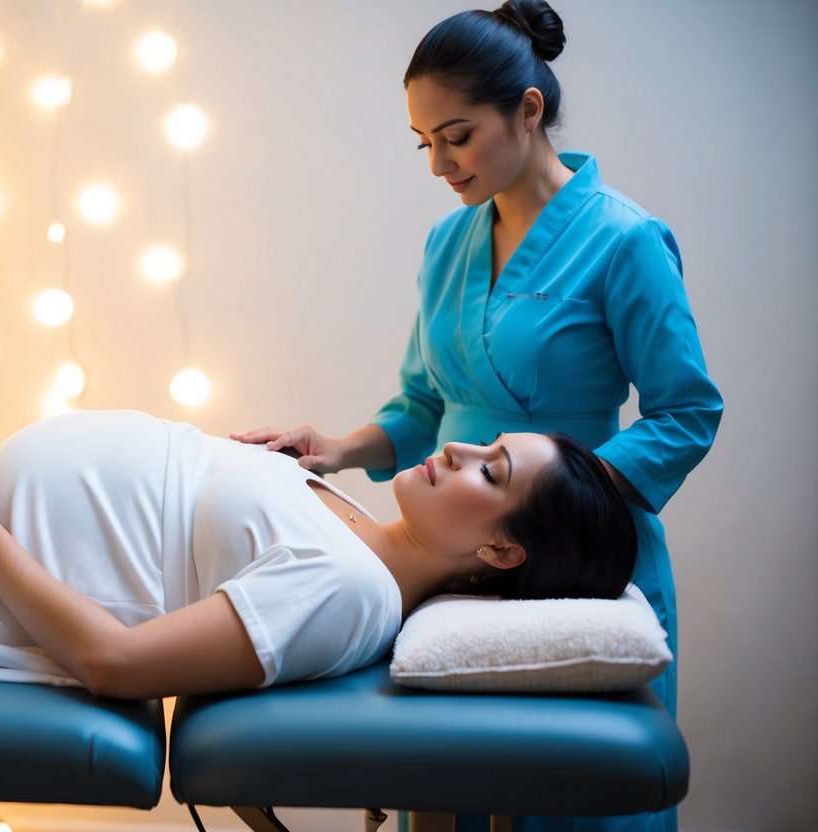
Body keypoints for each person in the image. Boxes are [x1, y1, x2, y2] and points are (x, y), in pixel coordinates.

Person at [232, 2, 722, 830]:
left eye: (455, 136)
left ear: (527, 110)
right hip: (461, 554)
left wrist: (552, 497)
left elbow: (686, 412)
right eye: (423, 142)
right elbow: (425, 403)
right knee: (443, 794)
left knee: (564, 809)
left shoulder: (624, 242)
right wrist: (334, 447)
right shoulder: (446, 244)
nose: (437, 164)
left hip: (573, 564)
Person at [0, 409, 634, 701]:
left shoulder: (349, 591)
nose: (457, 448)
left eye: (490, 471)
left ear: (500, 551)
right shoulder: (346, 513)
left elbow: (117, 664)